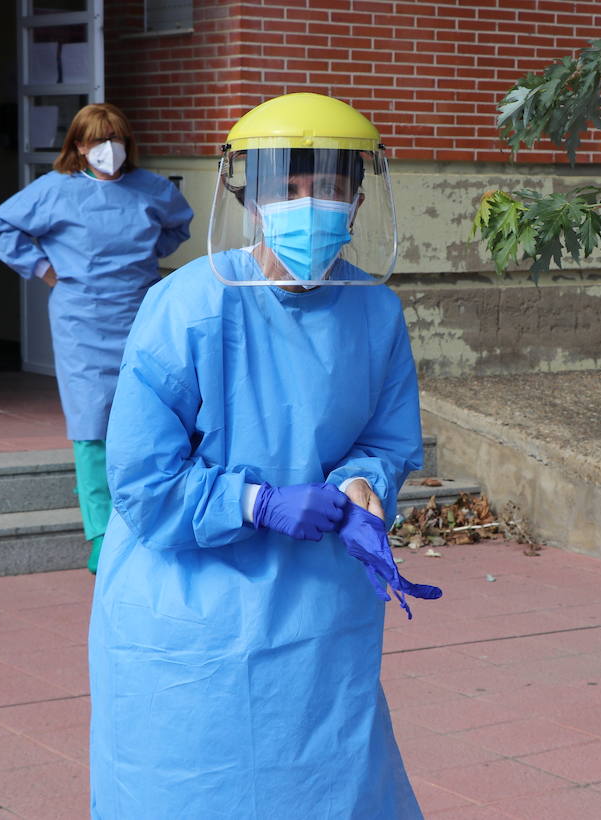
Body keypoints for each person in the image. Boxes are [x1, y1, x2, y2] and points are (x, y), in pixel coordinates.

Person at [88, 93, 437, 819]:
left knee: (325, 785)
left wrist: (366, 483)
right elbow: (143, 481)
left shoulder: (374, 311)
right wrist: (258, 502)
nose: (310, 207)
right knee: (191, 790)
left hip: (317, 611)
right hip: (190, 610)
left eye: (330, 188)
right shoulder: (187, 307)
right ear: (250, 199)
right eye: (288, 188)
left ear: (358, 199)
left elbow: (387, 440)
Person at [0, 103, 193, 574]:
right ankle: (100, 531)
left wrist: (145, 260)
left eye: (115, 138)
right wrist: (44, 268)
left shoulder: (150, 189)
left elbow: (179, 224)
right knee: (91, 422)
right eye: (97, 141)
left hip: (138, 312)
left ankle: (143, 512)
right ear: (78, 146)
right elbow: (0, 227)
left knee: (145, 413)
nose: (108, 149)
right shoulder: (57, 191)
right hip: (81, 318)